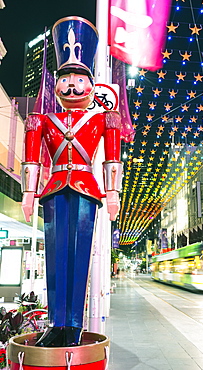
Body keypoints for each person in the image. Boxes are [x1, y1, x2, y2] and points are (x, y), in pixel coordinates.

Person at [21, 16, 123, 347]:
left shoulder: (104, 118)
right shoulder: (42, 120)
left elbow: (111, 157)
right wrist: (27, 193)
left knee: (79, 258)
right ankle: (56, 323)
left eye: (79, 78)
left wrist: (112, 194)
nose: (72, 86)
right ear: (56, 84)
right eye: (65, 78)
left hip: (86, 190)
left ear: (91, 84)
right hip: (52, 191)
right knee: (55, 258)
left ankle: (74, 325)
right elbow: (32, 158)